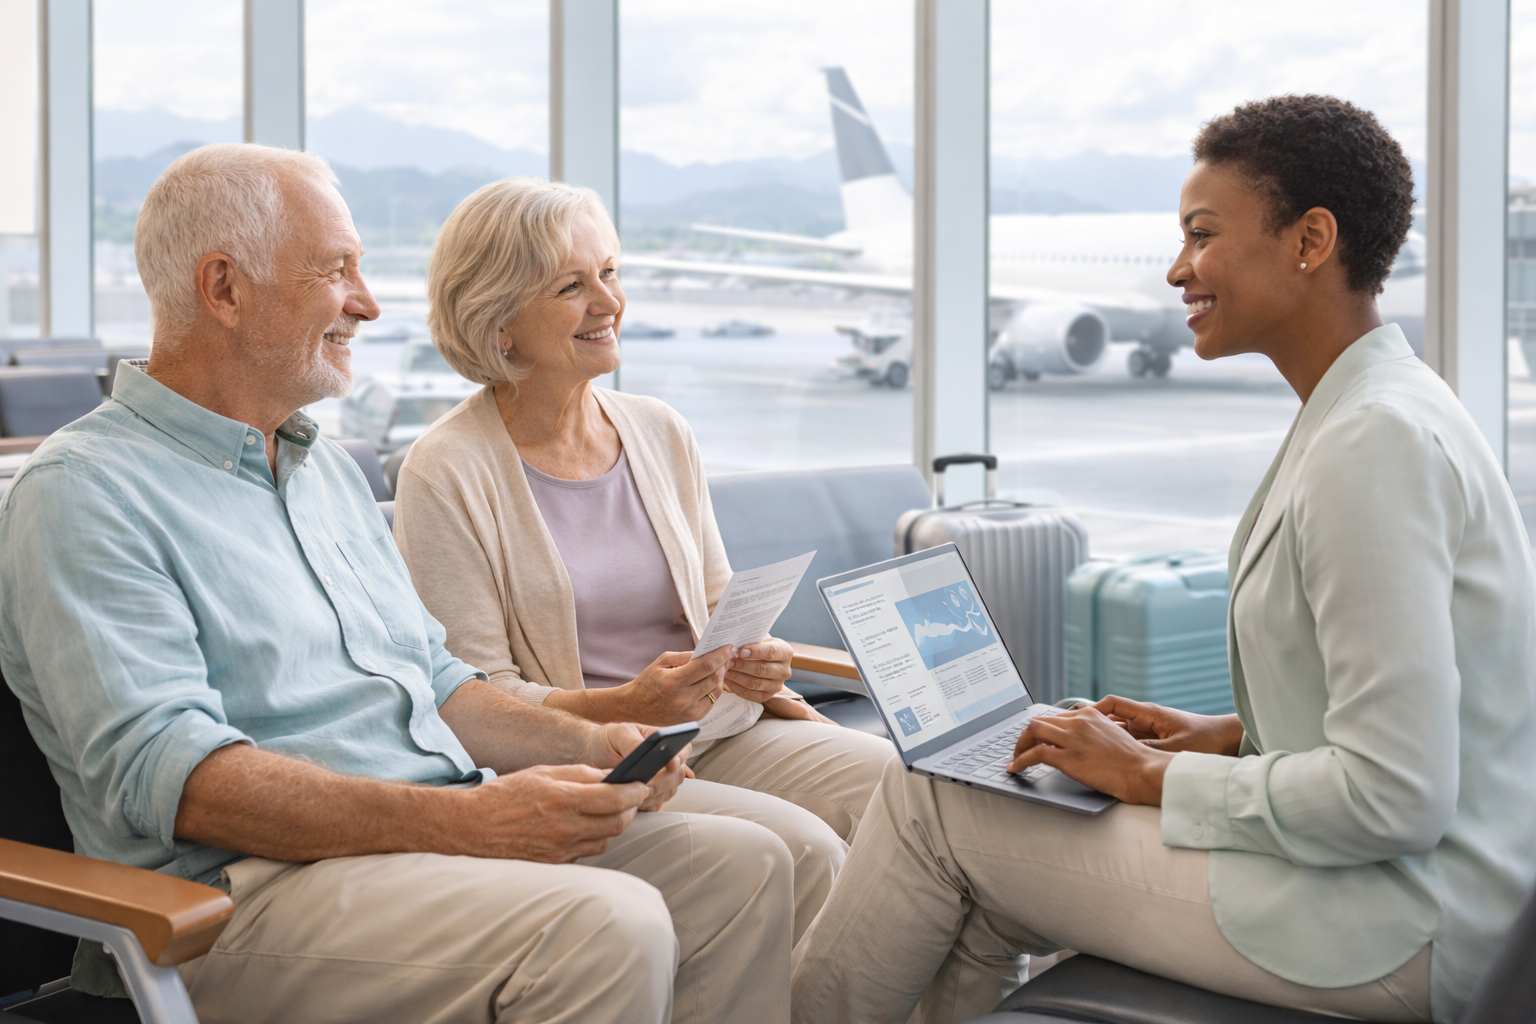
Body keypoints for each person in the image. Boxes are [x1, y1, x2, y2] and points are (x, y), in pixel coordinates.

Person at [0, 142, 796, 1024]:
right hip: (240, 900)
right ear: (223, 289)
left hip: (418, 838)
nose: (368, 306)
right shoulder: (84, 492)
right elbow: (182, 780)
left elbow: (443, 690)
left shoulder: (326, 471)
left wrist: (587, 743)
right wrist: (475, 827)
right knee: (603, 923)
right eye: (337, 272)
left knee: (748, 866)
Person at [789, 95, 1536, 1024]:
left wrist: (1149, 778)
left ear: (1311, 241)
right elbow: (1420, 706)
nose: (1178, 269)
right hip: (1421, 892)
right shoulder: (1383, 405)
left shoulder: (1371, 443)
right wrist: (1223, 735)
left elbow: (1394, 798)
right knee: (988, 864)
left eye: (1202, 235)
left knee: (929, 801)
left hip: (1394, 922)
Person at [391, 177, 894, 940]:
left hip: (727, 730)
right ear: (500, 325)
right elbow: (474, 700)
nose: (608, 302)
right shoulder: (445, 469)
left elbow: (719, 604)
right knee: (807, 853)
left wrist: (753, 658)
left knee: (912, 790)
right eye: (572, 285)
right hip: (603, 760)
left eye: (611, 272)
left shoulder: (660, 430)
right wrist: (630, 706)